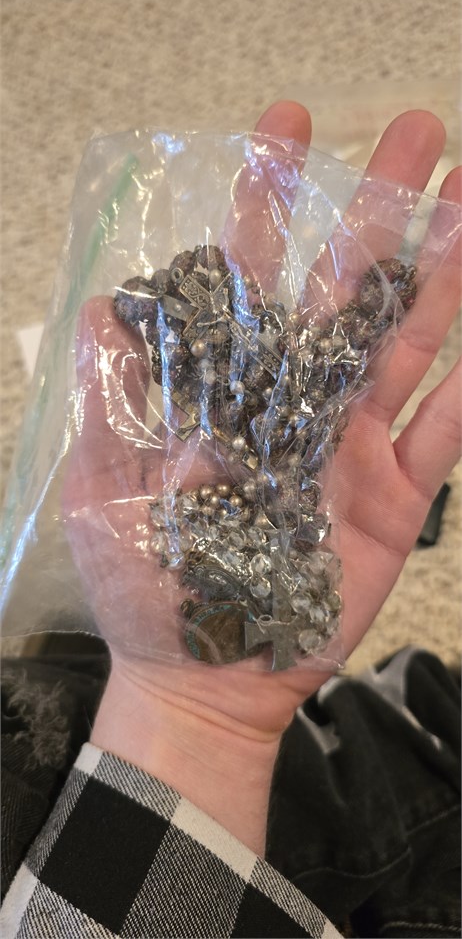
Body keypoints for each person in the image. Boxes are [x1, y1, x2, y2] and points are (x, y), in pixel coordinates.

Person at [1, 101, 460, 938]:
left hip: (85, 759)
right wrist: (192, 717)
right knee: (422, 777)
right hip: (349, 830)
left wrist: (178, 718)